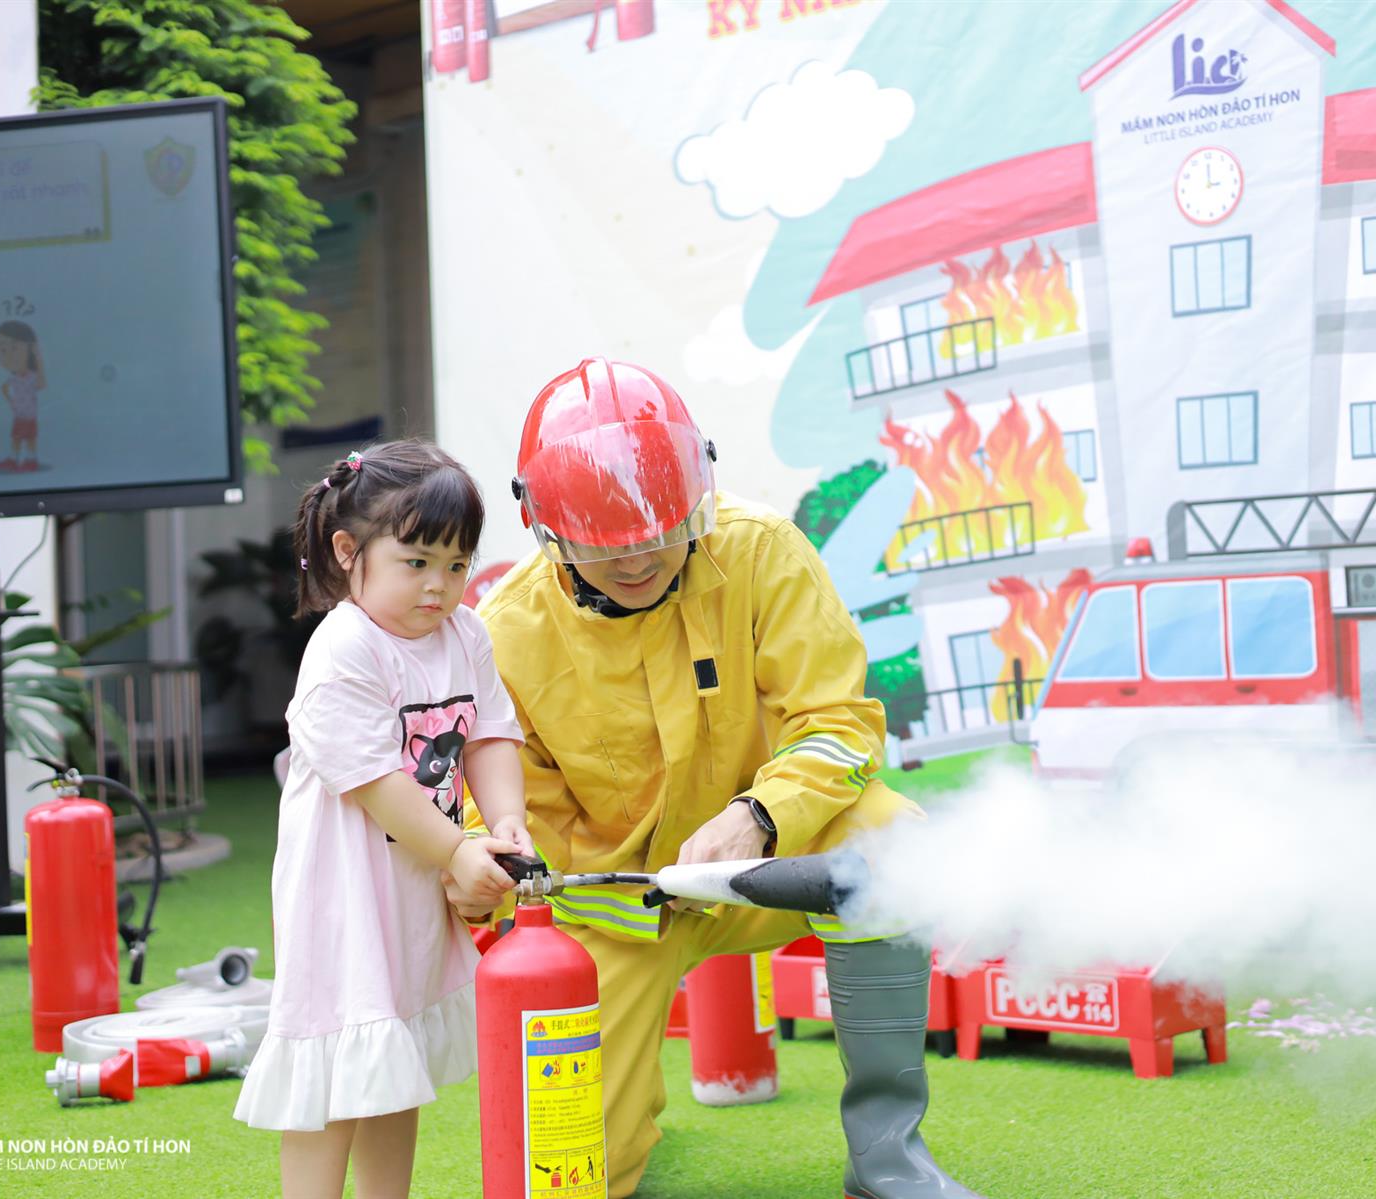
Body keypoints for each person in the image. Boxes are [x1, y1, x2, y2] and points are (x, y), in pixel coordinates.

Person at [457, 359, 985, 1199]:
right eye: (606, 545)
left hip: (771, 867)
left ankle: (887, 1156)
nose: (639, 559)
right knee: (577, 1170)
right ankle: (627, 1115)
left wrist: (761, 816)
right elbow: (515, 829)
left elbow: (841, 726)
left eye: (662, 532)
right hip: (618, 912)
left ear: (697, 492)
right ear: (544, 527)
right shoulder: (504, 634)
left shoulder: (764, 549)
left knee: (890, 845)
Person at [234, 441, 534, 1199]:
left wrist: (506, 821)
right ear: (349, 551)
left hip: (411, 887)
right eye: (416, 561)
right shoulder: (344, 649)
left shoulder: (465, 634)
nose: (439, 585)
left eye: (457, 565)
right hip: (341, 896)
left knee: (395, 1062)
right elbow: (376, 784)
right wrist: (459, 850)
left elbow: (491, 734)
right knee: (335, 1062)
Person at [0, 320, 45, 472]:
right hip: (19, 415)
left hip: (29, 415)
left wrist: (38, 357)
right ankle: (13, 460)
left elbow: (41, 385)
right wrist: (11, 401)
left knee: (30, 438)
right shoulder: (13, 378)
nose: (9, 355)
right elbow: (4, 388)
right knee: (16, 438)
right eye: (3, 350)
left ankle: (31, 460)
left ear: (30, 349)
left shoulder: (32, 376)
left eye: (15, 348)